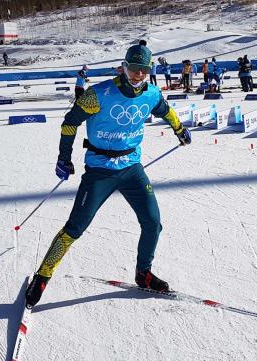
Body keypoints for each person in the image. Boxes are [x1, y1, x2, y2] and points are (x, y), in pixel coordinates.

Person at [24, 44, 192, 308]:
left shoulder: (151, 93)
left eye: (144, 70)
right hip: (100, 171)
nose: (138, 74)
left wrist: (180, 129)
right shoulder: (98, 94)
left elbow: (165, 109)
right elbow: (70, 122)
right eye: (134, 68)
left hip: (132, 168)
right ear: (123, 67)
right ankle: (43, 275)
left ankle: (143, 273)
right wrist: (63, 157)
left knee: (153, 223)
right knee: (74, 228)